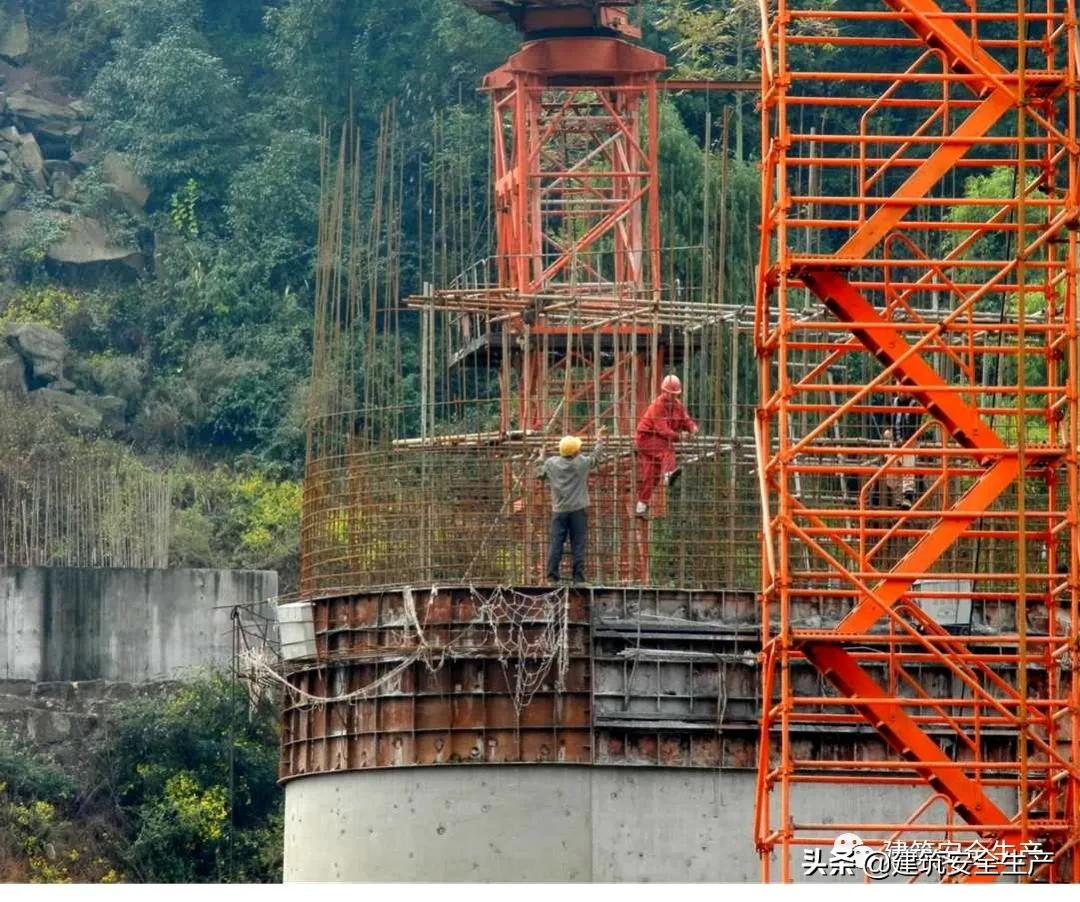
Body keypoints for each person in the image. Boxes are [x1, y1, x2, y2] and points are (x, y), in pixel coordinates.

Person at [539, 427, 606, 583]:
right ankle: (578, 577)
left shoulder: (551, 463)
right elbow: (596, 458)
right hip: (578, 510)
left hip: (559, 511)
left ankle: (552, 577)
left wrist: (540, 457)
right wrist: (599, 441)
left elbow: (539, 473)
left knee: (556, 543)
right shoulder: (581, 463)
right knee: (578, 543)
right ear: (575, 452)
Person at [634, 374, 698, 518]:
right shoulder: (657, 406)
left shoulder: (678, 406)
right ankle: (669, 474)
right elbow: (662, 429)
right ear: (664, 391)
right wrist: (680, 437)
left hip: (659, 439)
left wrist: (692, 428)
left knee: (652, 475)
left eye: (675, 394)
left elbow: (685, 420)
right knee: (667, 449)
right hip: (646, 438)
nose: (672, 396)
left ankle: (641, 505)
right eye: (670, 393)